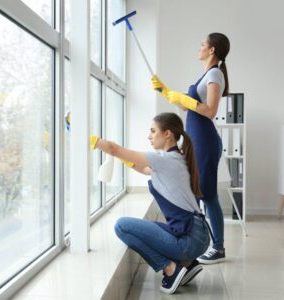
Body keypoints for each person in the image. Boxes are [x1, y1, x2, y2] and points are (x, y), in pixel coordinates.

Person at [90, 112, 210, 294]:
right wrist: (125, 159)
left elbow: (114, 149)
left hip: (190, 240)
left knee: (122, 226)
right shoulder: (176, 157)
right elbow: (146, 170)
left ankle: (170, 268)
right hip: (197, 234)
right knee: (149, 226)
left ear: (167, 133)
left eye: (153, 131)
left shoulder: (165, 160)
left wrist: (86, 137)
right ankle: (187, 264)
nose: (149, 136)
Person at [151, 33, 230, 264]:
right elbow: (188, 109)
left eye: (202, 44)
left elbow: (210, 110)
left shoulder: (215, 73)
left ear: (212, 50)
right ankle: (196, 240)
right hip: (195, 141)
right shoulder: (206, 75)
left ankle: (217, 247)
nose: (200, 48)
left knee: (207, 194)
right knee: (197, 190)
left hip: (205, 141)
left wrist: (184, 99)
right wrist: (166, 92)